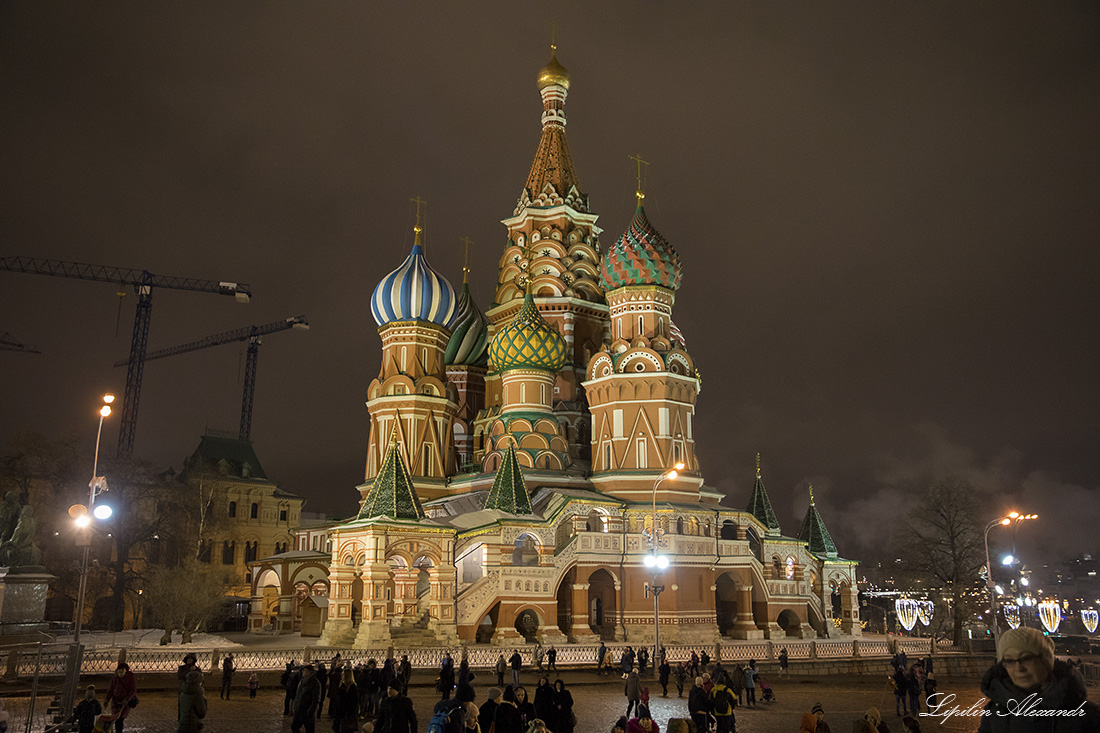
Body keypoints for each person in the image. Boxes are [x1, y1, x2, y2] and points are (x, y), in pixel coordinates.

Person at [978, 626, 1100, 733]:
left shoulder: (1089, 715)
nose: (1019, 668)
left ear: (1046, 661)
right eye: (1009, 660)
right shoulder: (994, 712)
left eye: (1026, 658)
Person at [105, 663, 137, 733]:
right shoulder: (115, 679)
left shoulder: (130, 679)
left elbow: (132, 691)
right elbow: (110, 690)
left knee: (120, 719)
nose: (121, 671)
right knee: (116, 719)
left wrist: (127, 699)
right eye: (120, 669)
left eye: (122, 669)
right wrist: (107, 700)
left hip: (125, 704)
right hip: (115, 702)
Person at [293, 665, 323, 733]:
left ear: (311, 673)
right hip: (299, 710)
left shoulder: (315, 683)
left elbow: (316, 699)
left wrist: (310, 711)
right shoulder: (302, 680)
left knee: (309, 730)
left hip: (307, 712)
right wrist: (295, 705)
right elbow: (298, 694)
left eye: (305, 671)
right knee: (294, 727)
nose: (303, 672)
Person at [335, 667, 359, 733]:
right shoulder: (342, 685)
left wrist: (352, 711)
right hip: (341, 711)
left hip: (348, 712)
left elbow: (355, 700)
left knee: (347, 729)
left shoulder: (352, 687)